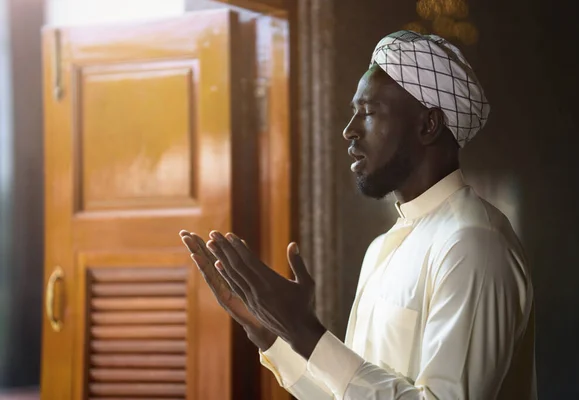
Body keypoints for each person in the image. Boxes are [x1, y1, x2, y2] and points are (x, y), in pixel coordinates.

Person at [180, 30, 536, 399]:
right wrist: (272, 333)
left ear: (428, 125)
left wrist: (304, 329)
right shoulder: (383, 248)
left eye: (368, 113)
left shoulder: (473, 244)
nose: (349, 131)